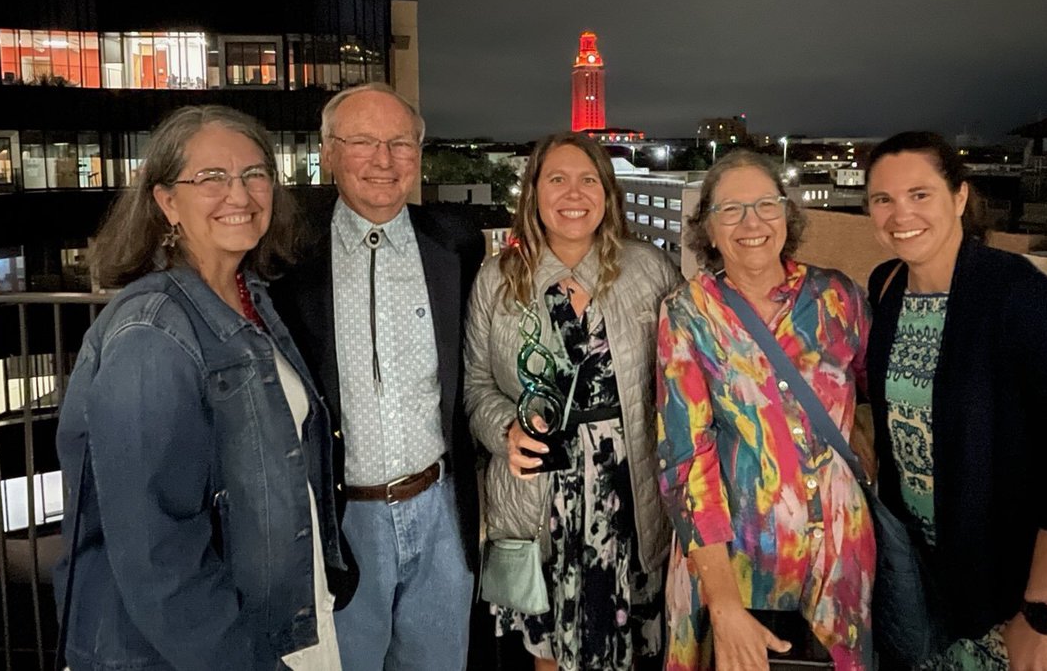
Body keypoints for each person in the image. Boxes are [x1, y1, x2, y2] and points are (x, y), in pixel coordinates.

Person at [55, 105, 342, 670]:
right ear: (166, 201)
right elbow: (156, 552)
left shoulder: (250, 298)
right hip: (202, 649)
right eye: (211, 178)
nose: (239, 194)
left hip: (275, 623)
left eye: (254, 174)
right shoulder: (152, 332)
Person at [863, 131, 1047, 671]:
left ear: (959, 197)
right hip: (940, 591)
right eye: (882, 199)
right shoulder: (885, 287)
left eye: (920, 194)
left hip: (1030, 598)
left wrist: (1044, 609)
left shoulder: (1018, 296)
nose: (899, 213)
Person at [271, 83, 485, 671]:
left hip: (441, 511)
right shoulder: (286, 254)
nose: (384, 160)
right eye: (363, 142)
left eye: (399, 143)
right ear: (329, 151)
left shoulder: (455, 242)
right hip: (338, 522)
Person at [464, 131, 680, 670]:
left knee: (625, 643)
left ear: (608, 192)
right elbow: (474, 386)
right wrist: (505, 432)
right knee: (548, 649)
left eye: (588, 179)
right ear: (533, 192)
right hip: (539, 487)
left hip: (627, 486)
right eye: (556, 179)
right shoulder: (499, 279)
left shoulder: (649, 270)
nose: (573, 192)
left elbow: (689, 378)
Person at [656, 149, 874, 671]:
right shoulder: (687, 313)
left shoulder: (838, 298)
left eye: (765, 205)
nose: (751, 222)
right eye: (730, 210)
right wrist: (724, 604)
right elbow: (686, 460)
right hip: (735, 567)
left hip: (837, 566)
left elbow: (872, 400)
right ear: (707, 229)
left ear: (787, 215)